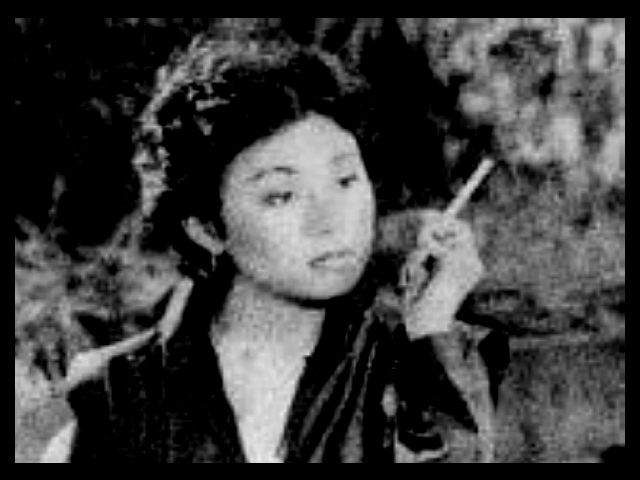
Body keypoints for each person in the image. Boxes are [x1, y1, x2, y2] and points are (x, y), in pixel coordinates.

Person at [67, 42, 487, 463]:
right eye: (282, 196)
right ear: (207, 230)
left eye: (344, 180)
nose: (331, 220)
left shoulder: (418, 358)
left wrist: (433, 320)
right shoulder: (118, 393)